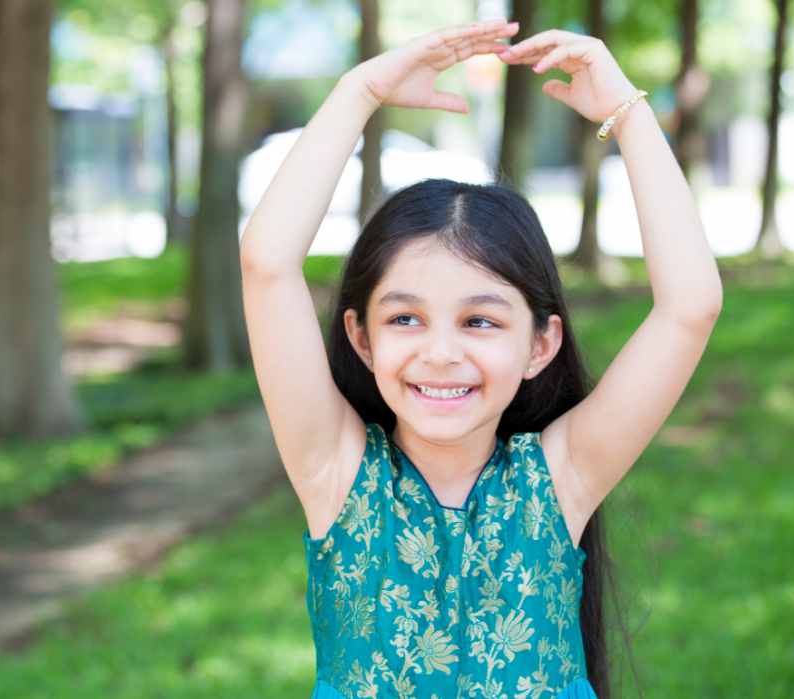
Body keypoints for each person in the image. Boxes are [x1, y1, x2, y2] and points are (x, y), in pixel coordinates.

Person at [239, 18, 722, 699]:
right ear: (361, 337)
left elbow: (690, 306)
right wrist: (361, 90)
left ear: (540, 345)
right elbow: (265, 262)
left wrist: (629, 114)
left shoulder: (559, 482)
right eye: (405, 317)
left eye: (480, 320)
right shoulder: (338, 479)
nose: (441, 352)